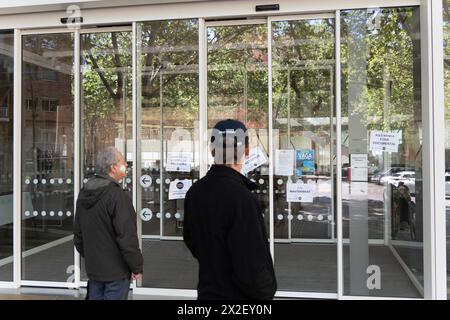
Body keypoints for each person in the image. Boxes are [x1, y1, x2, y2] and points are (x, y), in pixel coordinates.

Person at [183, 119, 277, 300]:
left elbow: (191, 240)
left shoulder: (195, 192)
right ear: (247, 151)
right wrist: (266, 292)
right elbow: (252, 261)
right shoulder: (243, 198)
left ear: (212, 150)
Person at [73, 147, 143, 300]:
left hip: (94, 271)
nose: (126, 164)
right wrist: (136, 266)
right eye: (122, 161)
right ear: (113, 167)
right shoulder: (117, 195)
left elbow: (78, 234)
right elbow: (127, 236)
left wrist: (91, 256)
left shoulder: (84, 192)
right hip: (116, 274)